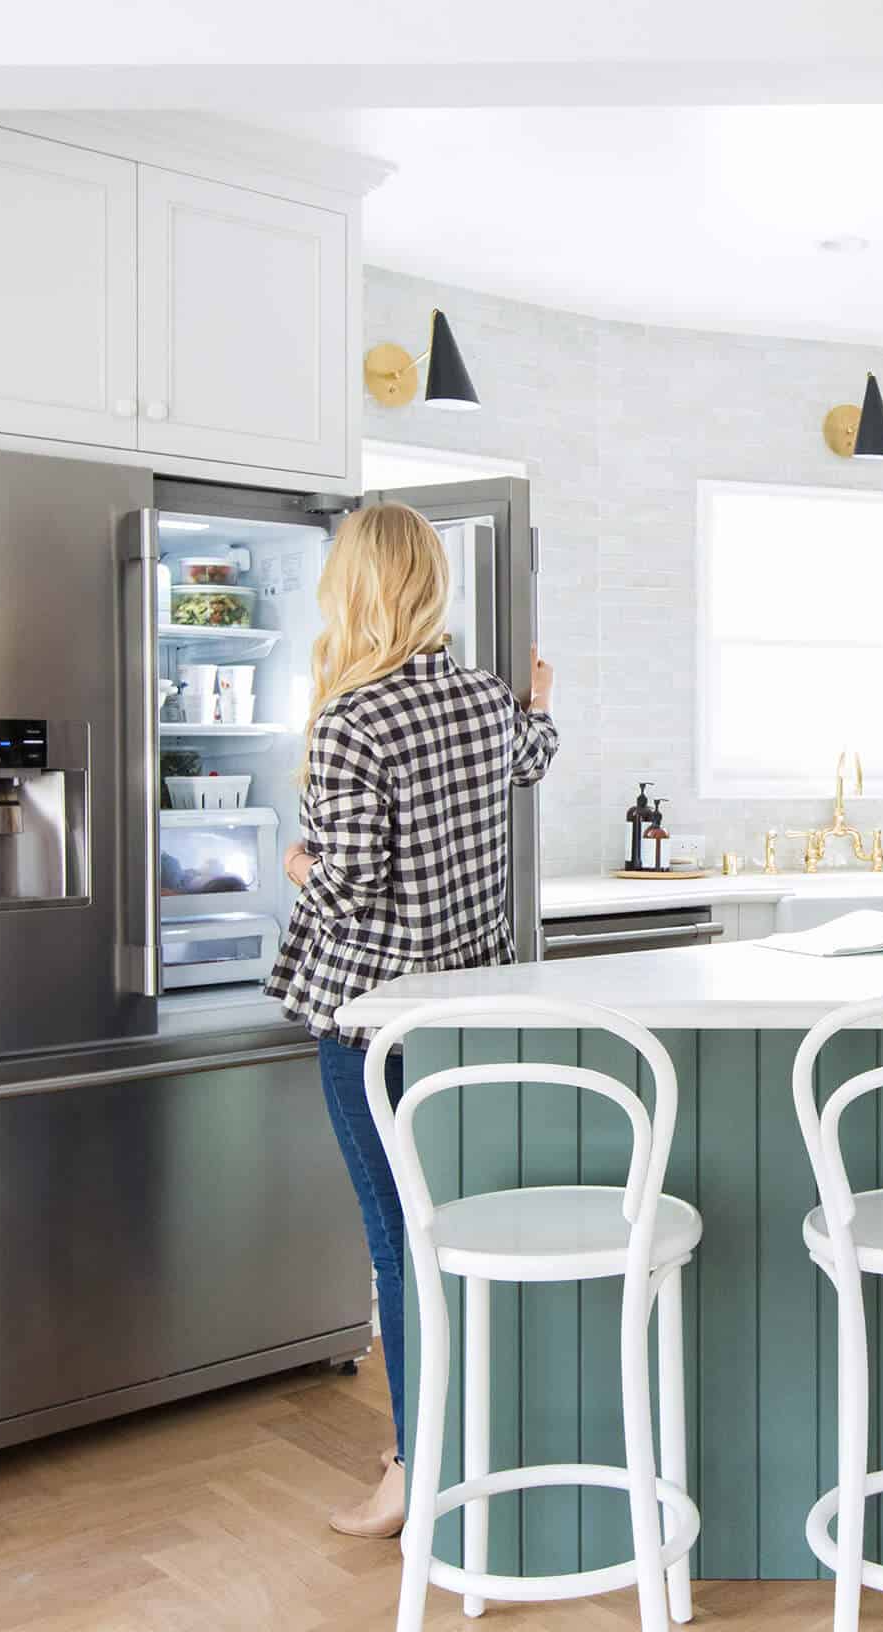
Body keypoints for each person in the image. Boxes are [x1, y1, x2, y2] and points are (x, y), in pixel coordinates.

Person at [261, 503, 558, 1538]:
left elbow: (347, 887)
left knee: (396, 1241)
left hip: (369, 1019)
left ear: (351, 590)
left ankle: (414, 1466)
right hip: (468, 1011)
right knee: (455, 1224)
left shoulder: (352, 717)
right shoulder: (480, 697)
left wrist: (294, 862)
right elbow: (531, 757)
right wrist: (538, 703)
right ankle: (471, 1439)